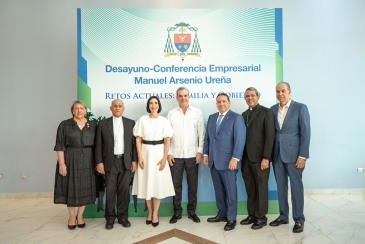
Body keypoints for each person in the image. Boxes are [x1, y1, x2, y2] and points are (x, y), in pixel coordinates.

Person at [269, 82, 311, 233]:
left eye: (283, 91)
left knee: (296, 188)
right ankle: (283, 216)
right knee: (281, 187)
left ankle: (299, 219)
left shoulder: (300, 108)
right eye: (277, 91)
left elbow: (306, 133)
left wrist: (303, 156)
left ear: (289, 92)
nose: (280, 94)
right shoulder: (272, 109)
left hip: (295, 156)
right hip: (277, 155)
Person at [203, 93, 246, 231]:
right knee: (219, 190)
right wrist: (205, 154)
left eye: (224, 101)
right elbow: (208, 139)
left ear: (229, 102)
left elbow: (240, 139)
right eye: (219, 102)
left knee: (231, 191)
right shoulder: (211, 118)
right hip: (213, 161)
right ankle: (222, 214)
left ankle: (231, 218)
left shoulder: (236, 118)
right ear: (216, 103)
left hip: (229, 161)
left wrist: (235, 158)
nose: (221, 104)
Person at [94, 99, 137, 230]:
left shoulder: (130, 123)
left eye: (120, 106)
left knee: (124, 191)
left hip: (125, 161)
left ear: (123, 108)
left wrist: (134, 160)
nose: (117, 108)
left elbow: (134, 145)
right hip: (109, 162)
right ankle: (110, 218)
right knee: (110, 190)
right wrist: (99, 162)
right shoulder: (102, 124)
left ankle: (123, 217)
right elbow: (98, 145)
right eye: (115, 106)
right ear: (111, 108)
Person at [132, 96, 175, 227]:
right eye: (151, 103)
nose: (153, 105)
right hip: (145, 153)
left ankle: (156, 213)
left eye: (156, 103)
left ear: (159, 105)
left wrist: (164, 158)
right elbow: (138, 139)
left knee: (157, 184)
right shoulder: (142, 120)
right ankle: (149, 212)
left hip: (159, 154)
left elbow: (167, 140)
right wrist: (140, 156)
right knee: (147, 183)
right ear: (148, 105)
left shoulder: (164, 121)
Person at [54, 100, 96, 230]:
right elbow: (60, 145)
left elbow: (98, 145)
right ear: (72, 110)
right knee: (70, 187)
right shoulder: (65, 125)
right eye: (76, 108)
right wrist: (62, 164)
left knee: (84, 188)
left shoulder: (93, 125)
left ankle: (80, 216)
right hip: (70, 158)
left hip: (88, 159)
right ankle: (72, 217)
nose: (79, 111)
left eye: (82, 108)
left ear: (85, 110)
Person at [167, 87, 205, 224]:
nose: (183, 98)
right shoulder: (171, 113)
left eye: (185, 95)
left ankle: (191, 212)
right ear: (177, 97)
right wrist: (169, 153)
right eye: (180, 96)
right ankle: (177, 212)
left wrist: (200, 151)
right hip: (175, 156)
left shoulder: (197, 112)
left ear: (189, 96)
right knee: (175, 185)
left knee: (192, 185)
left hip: (192, 155)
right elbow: (167, 135)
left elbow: (202, 133)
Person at [240, 87, 275, 230]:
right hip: (246, 159)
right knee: (250, 189)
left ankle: (261, 217)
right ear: (245, 98)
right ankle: (252, 215)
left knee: (261, 188)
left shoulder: (266, 112)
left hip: (261, 159)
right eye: (247, 96)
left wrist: (266, 157)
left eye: (252, 95)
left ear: (258, 97)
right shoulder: (243, 115)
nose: (250, 98)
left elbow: (270, 136)